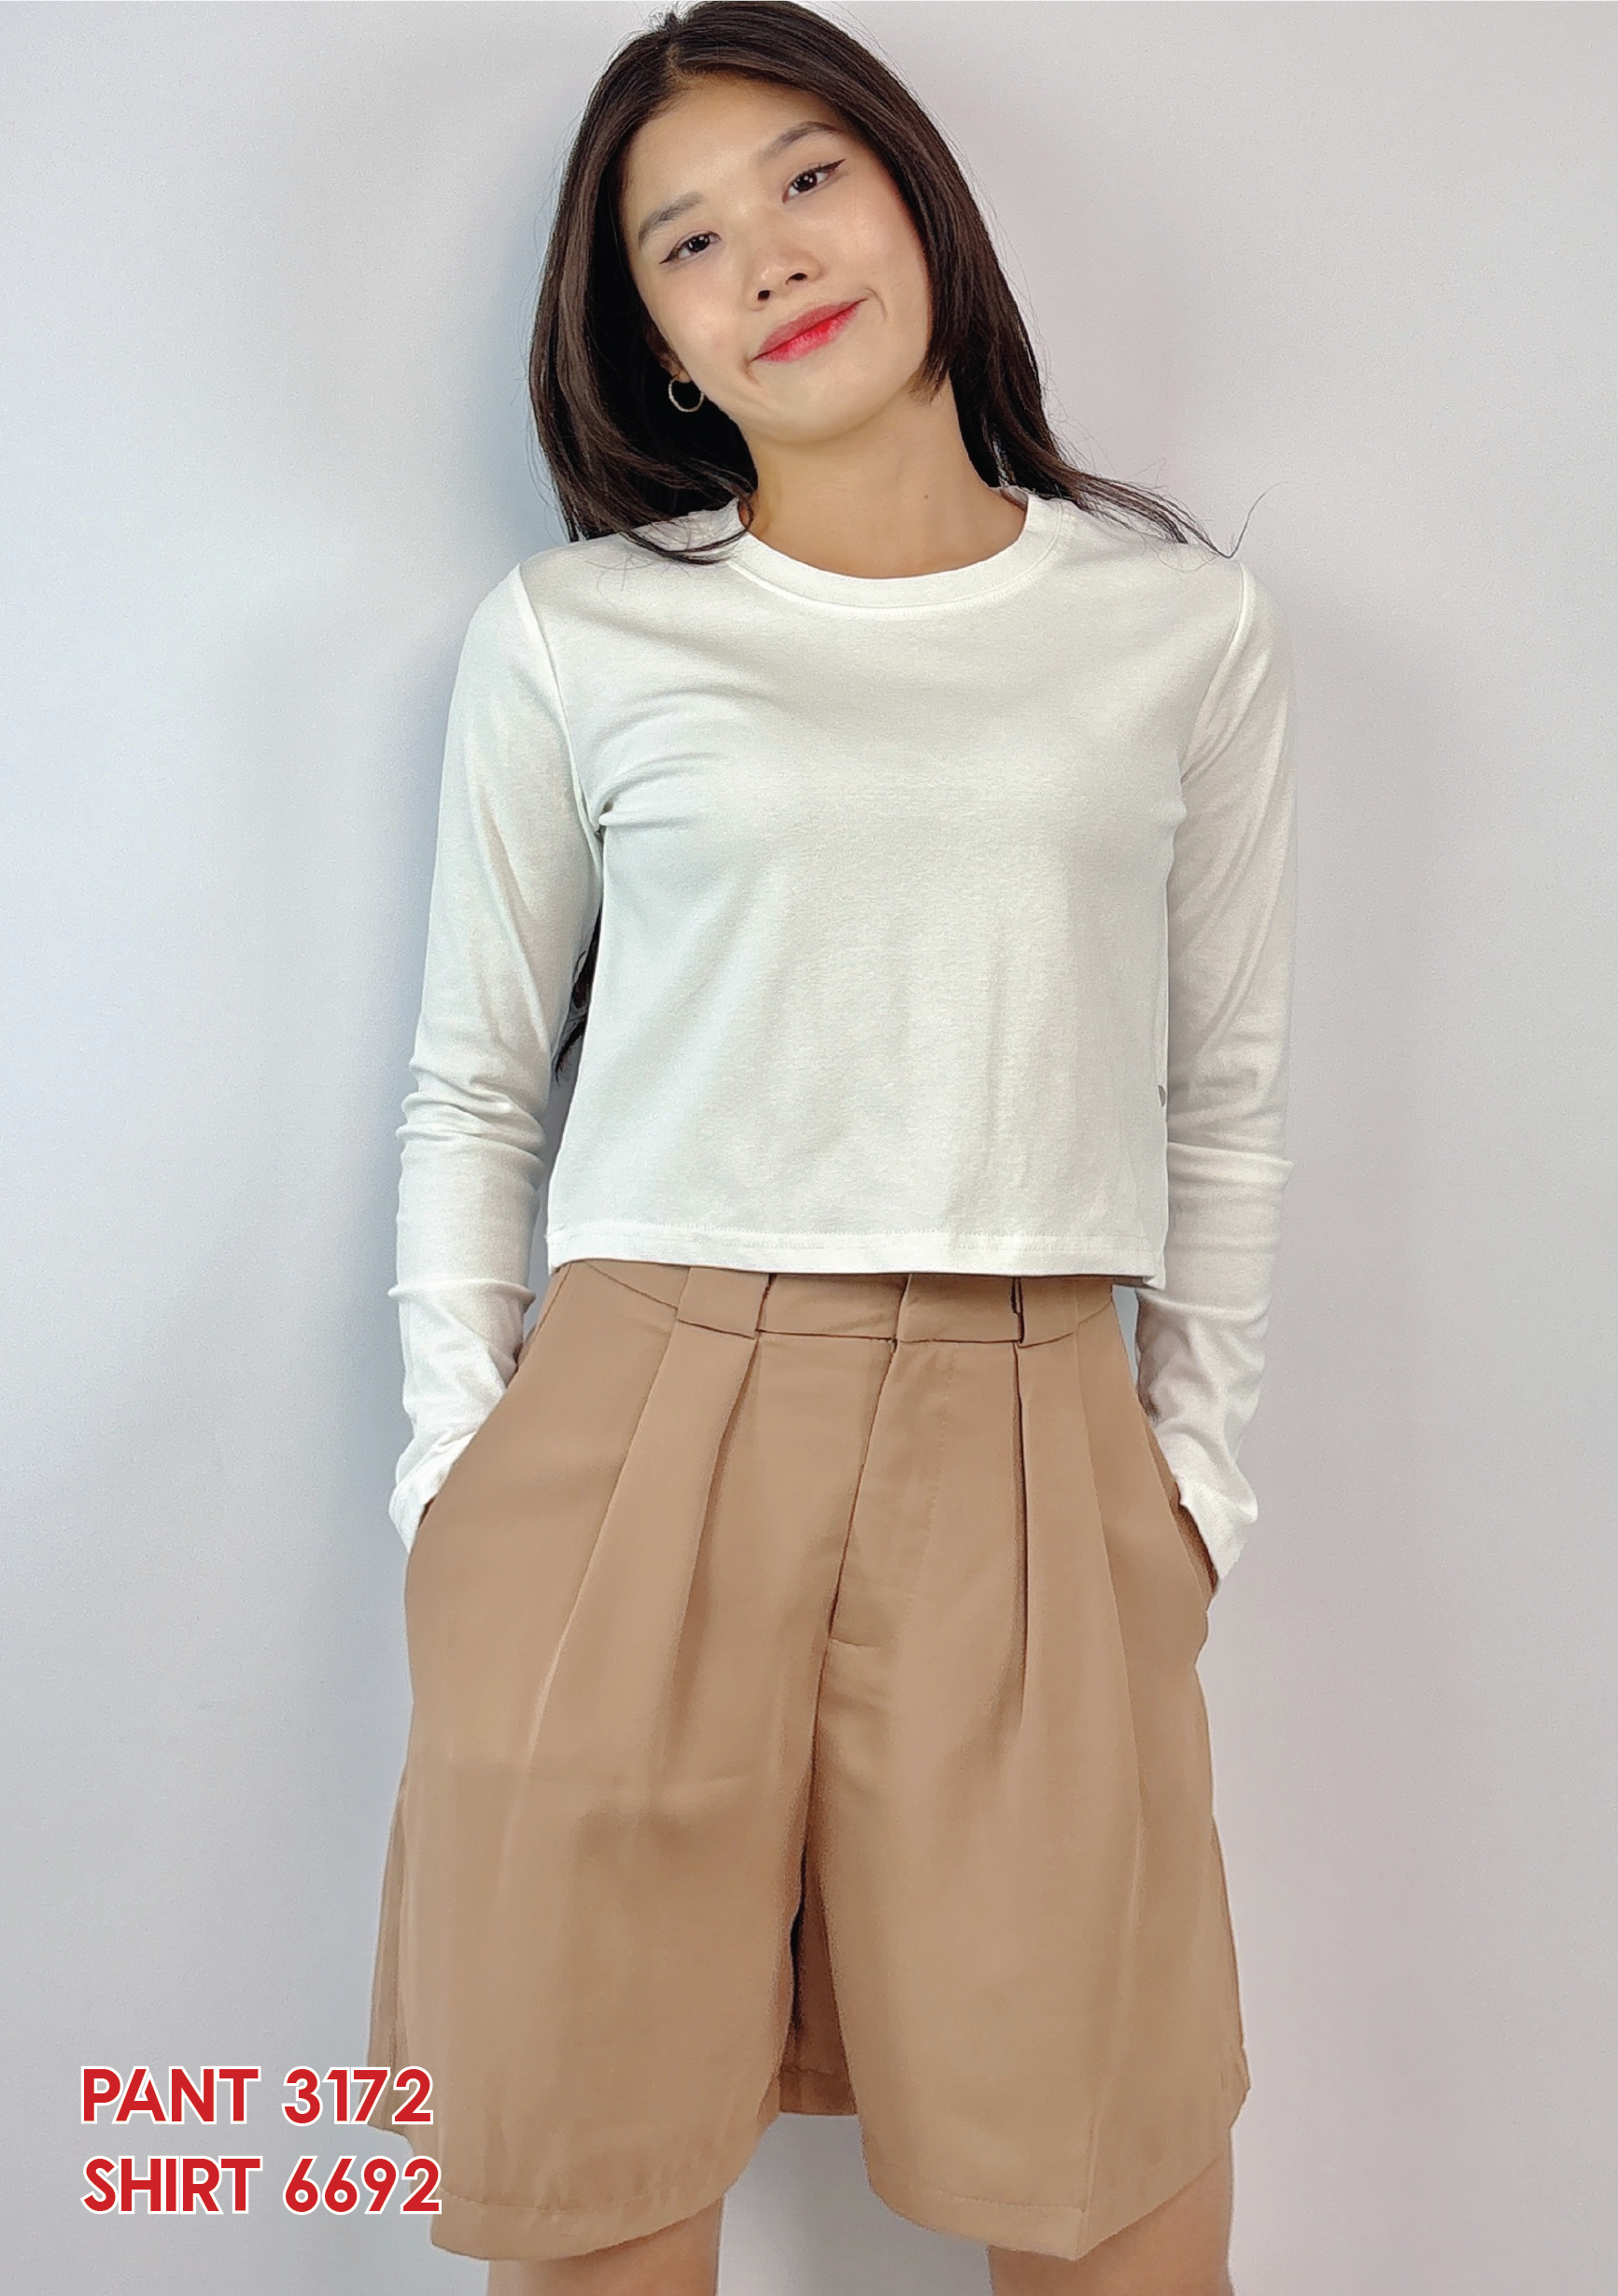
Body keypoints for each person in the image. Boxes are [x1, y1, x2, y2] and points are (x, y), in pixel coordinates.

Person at [363, 5, 1298, 2292]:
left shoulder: (1173, 628)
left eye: (805, 177)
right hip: (631, 1426)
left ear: (913, 200)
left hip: (1031, 1425)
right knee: (590, 2194)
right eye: (682, 240)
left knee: (1111, 2185)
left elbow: (1220, 1093)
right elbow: (475, 1080)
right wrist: (451, 1474)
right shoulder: (578, 634)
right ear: (652, 342)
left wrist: (1188, 1479)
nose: (764, 256)